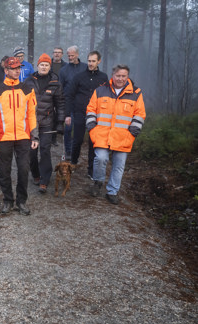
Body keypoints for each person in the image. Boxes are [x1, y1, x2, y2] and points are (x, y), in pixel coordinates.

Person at [87, 64, 146, 205]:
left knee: (119, 165)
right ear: (113, 75)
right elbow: (91, 109)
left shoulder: (136, 93)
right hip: (101, 135)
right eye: (118, 75)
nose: (120, 78)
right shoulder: (100, 90)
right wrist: (92, 128)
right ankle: (98, 182)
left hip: (123, 137)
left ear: (127, 76)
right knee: (100, 159)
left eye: (123, 76)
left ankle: (112, 191)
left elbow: (140, 114)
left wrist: (132, 133)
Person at [0, 56, 39, 214]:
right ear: (6, 70)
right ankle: (8, 201)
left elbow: (32, 114)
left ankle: (22, 202)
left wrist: (34, 136)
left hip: (23, 137)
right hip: (3, 138)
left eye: (19, 68)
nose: (17, 71)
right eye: (14, 68)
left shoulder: (27, 90)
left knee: (24, 169)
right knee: (4, 171)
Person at [24, 53, 65, 194]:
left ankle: (44, 180)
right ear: (38, 65)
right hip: (31, 122)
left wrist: (60, 122)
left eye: (47, 65)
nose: (44, 67)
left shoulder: (55, 83)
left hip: (47, 122)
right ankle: (35, 174)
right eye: (42, 64)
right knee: (31, 152)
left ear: (50, 66)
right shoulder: (29, 81)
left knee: (45, 150)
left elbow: (60, 104)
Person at [64, 50, 108, 179]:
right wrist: (67, 114)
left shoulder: (103, 77)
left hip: (97, 115)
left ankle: (91, 169)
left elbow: (107, 96)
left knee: (93, 142)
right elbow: (69, 95)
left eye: (93, 61)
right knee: (77, 139)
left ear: (99, 61)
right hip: (80, 112)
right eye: (89, 61)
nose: (90, 63)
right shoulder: (79, 77)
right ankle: (73, 162)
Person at [58, 45, 87, 159]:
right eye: (68, 55)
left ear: (77, 54)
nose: (70, 57)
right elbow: (61, 87)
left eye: (72, 55)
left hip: (82, 102)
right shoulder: (64, 70)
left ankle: (76, 151)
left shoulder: (85, 68)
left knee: (79, 129)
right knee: (68, 128)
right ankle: (68, 152)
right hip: (68, 102)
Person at [50, 46, 67, 146]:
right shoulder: (49, 64)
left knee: (58, 116)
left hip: (61, 93)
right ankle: (47, 137)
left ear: (62, 54)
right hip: (49, 92)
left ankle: (54, 138)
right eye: (55, 52)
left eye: (59, 52)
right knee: (50, 115)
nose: (57, 54)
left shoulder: (65, 66)